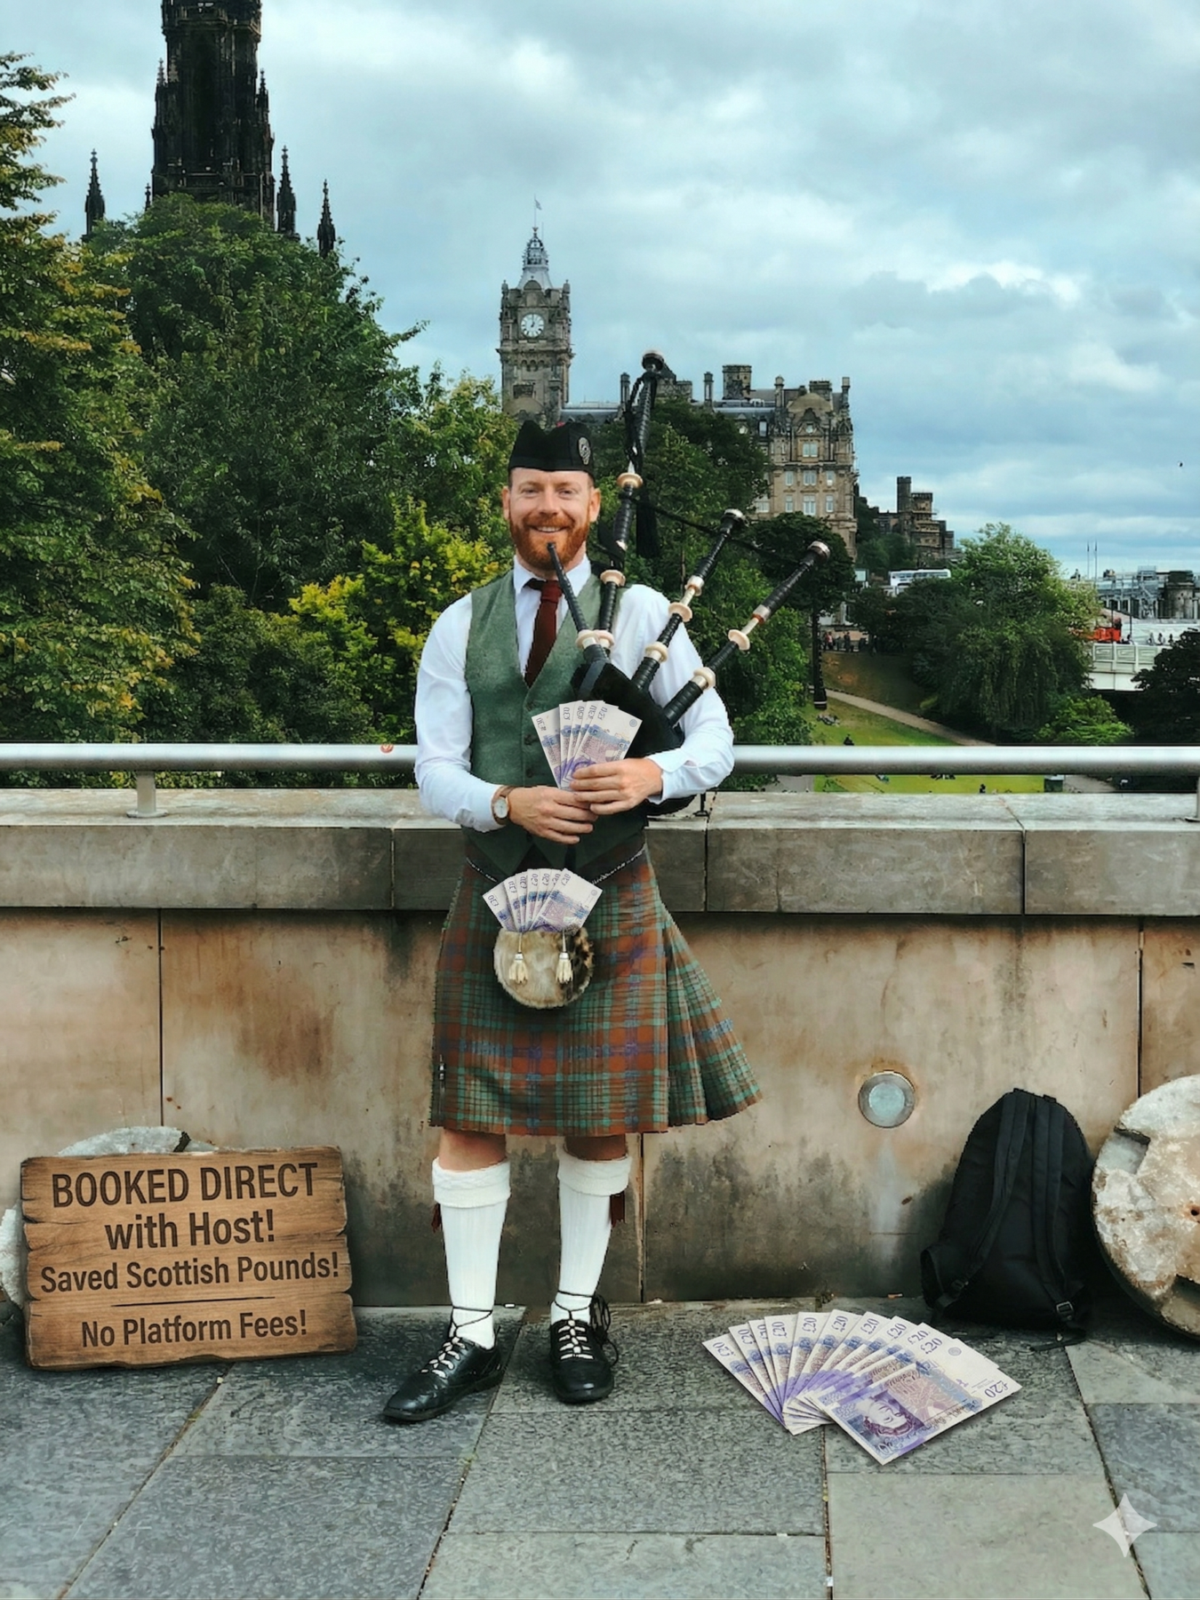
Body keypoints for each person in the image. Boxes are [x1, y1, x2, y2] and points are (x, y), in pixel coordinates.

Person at [384, 419, 760, 1424]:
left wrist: (650, 770)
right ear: (505, 504)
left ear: (594, 505)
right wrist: (507, 802)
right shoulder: (459, 624)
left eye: (565, 490)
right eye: (529, 489)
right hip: (498, 882)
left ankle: (576, 1314)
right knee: (470, 1117)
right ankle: (469, 1331)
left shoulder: (644, 615)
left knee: (598, 1120)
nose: (547, 506)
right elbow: (434, 767)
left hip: (610, 885)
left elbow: (716, 743)